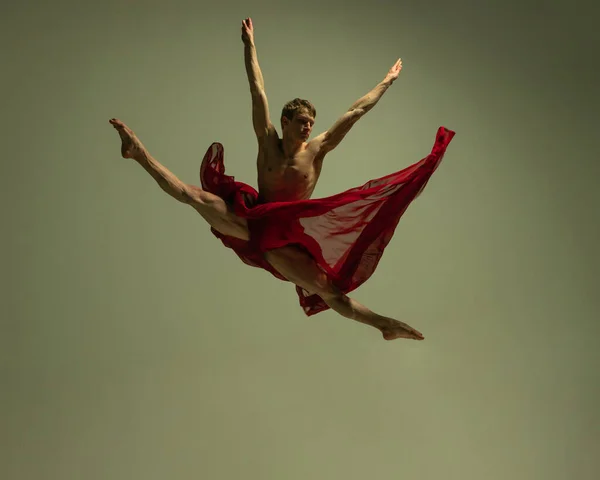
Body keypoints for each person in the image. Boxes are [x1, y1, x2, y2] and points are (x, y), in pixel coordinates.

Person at [109, 17, 455, 341]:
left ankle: (385, 325)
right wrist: (250, 46)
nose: (308, 127)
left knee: (330, 292)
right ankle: (138, 152)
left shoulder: (317, 150)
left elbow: (355, 112)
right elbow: (257, 90)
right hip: (253, 219)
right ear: (286, 121)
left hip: (287, 236)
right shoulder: (268, 140)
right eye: (302, 121)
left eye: (311, 123)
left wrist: (386, 81)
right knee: (192, 195)